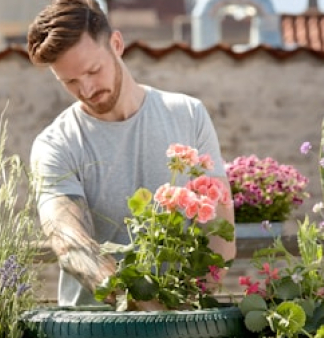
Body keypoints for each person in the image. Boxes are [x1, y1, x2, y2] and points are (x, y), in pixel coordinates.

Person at [26, 0, 235, 307]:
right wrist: (144, 309)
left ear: (117, 44)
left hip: (183, 326)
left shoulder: (188, 115)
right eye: (69, 81)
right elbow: (70, 242)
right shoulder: (55, 144)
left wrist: (192, 307)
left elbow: (220, 233)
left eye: (93, 70)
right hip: (91, 336)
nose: (85, 89)